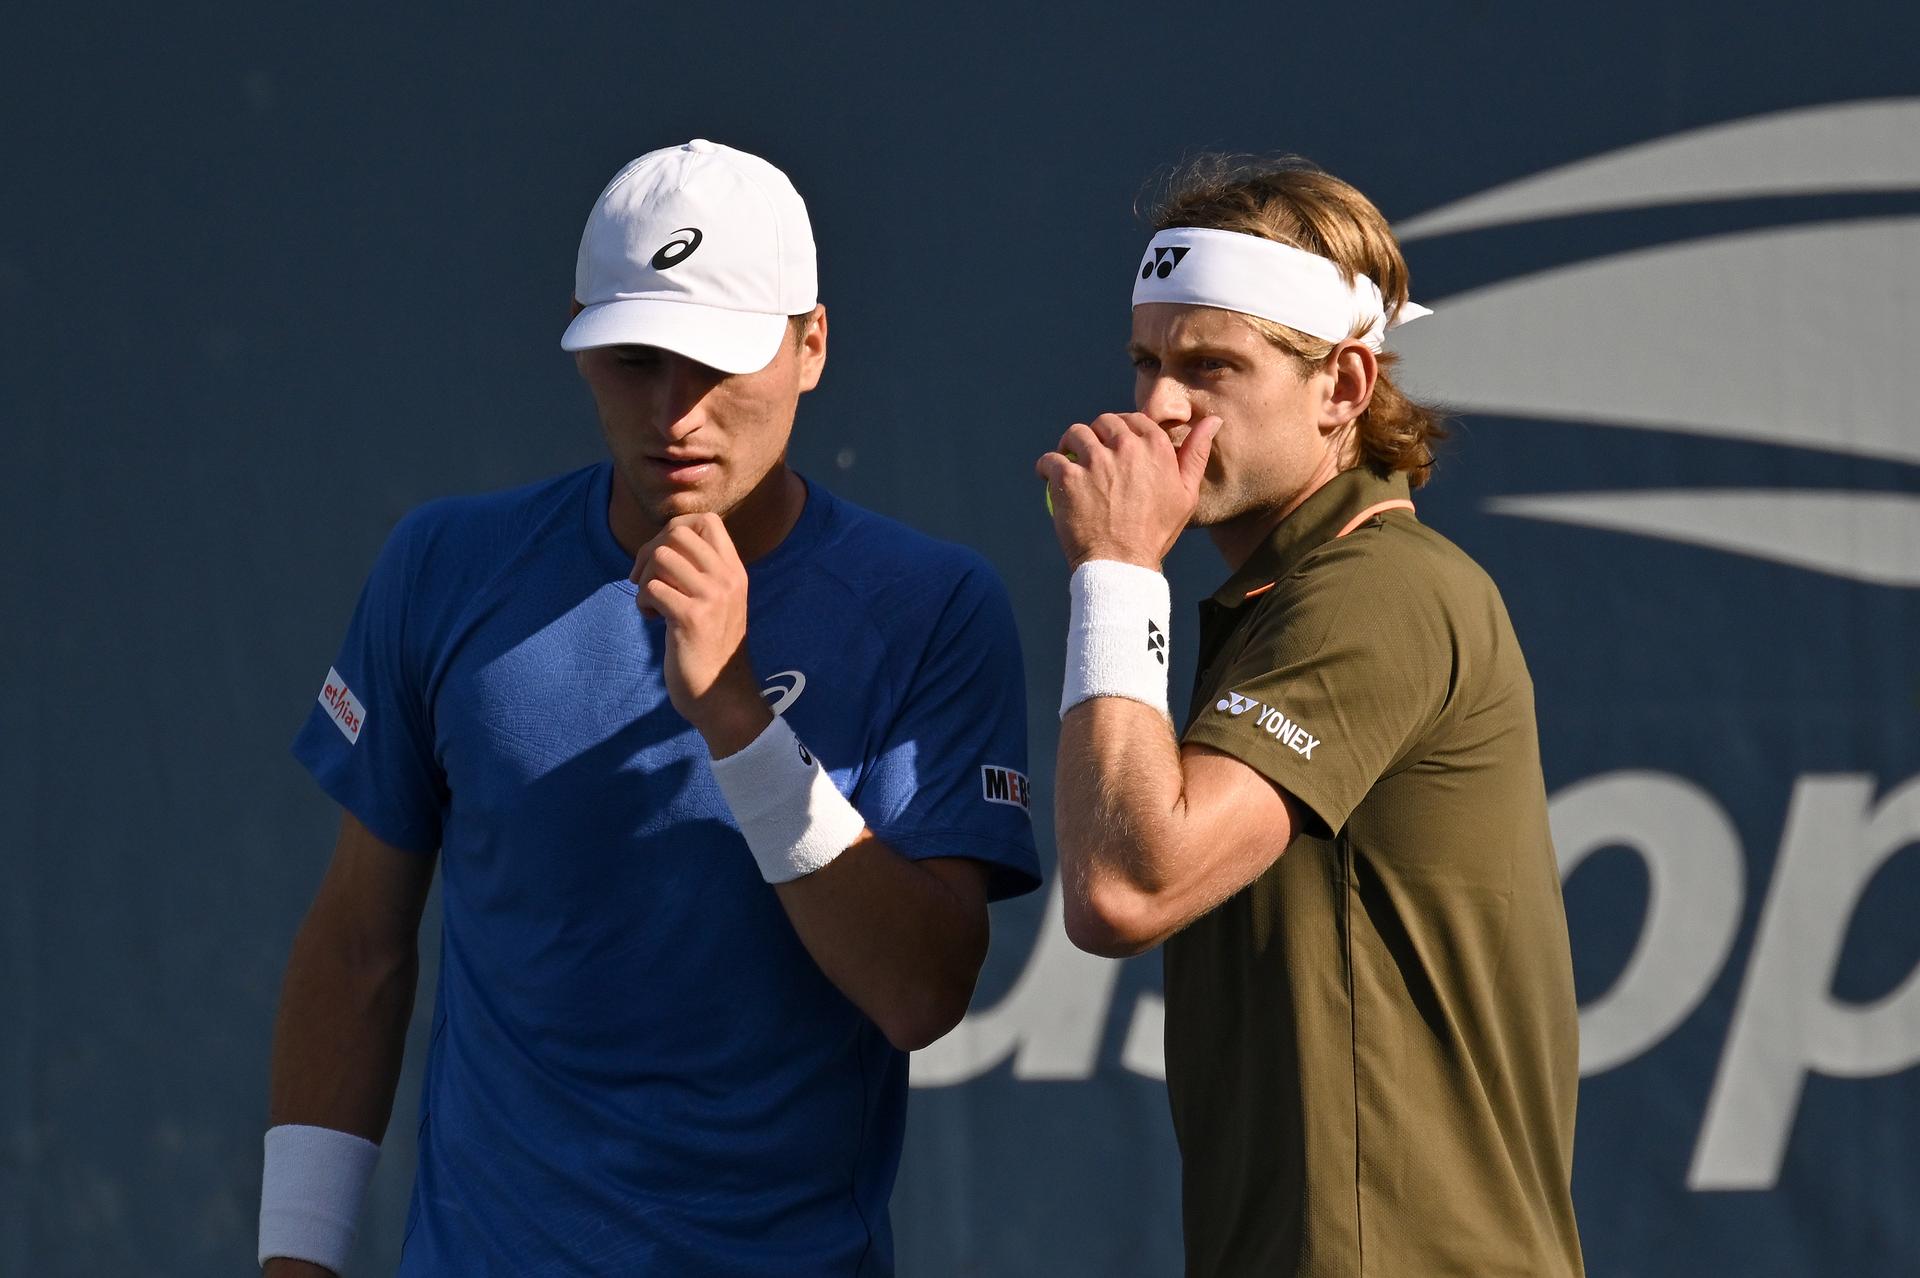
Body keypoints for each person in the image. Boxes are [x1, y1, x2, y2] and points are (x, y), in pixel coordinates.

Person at [261, 139, 1040, 1277]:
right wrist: (296, 1263)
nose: (676, 410)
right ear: (578, 338)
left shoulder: (931, 605)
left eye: (718, 362)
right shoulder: (443, 565)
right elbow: (358, 947)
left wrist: (735, 716)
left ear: (809, 346)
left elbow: (922, 994)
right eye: (634, 359)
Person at [1035, 155, 1584, 1277]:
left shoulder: (1378, 590)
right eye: (1146, 362)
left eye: (1212, 367)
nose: (1158, 407)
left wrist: (1118, 574)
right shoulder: (1289, 597)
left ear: (1343, 387)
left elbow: (1124, 886)